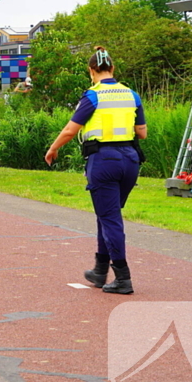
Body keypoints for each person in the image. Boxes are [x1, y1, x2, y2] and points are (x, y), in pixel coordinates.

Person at [44, 46, 147, 295]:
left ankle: (123, 278)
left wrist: (53, 149)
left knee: (110, 218)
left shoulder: (93, 96)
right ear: (113, 68)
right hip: (130, 160)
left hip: (103, 160)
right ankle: (100, 270)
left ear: (92, 71)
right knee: (107, 214)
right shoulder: (131, 95)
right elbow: (142, 132)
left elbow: (70, 130)